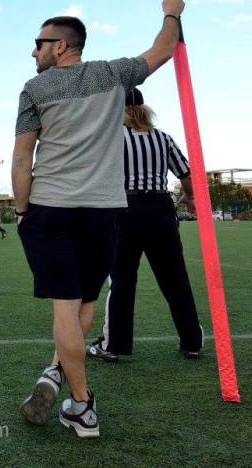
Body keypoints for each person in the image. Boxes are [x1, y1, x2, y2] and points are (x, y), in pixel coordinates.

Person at [13, 0, 185, 438]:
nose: (33, 51)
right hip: (104, 213)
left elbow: (22, 157)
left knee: (65, 308)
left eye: (38, 43)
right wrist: (171, 12)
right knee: (84, 304)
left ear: (61, 46)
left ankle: (83, 404)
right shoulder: (114, 75)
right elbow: (164, 49)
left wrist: (21, 209)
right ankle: (56, 372)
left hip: (51, 209)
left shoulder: (34, 88)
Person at [86, 88, 203, 362]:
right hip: (160, 209)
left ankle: (114, 345)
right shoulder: (163, 138)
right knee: (175, 278)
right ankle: (192, 341)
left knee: (122, 280)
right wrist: (190, 198)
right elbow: (186, 172)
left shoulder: (112, 138)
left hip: (124, 209)